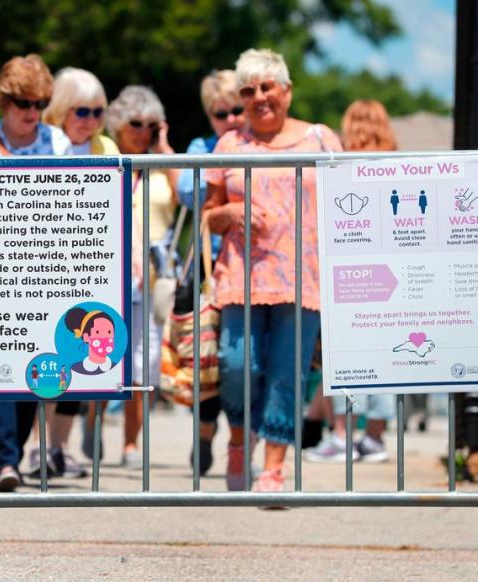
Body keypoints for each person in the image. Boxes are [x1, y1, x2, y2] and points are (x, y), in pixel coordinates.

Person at [204, 48, 342, 492]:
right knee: (237, 363)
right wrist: (229, 213)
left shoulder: (321, 140)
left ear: (287, 90)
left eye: (268, 87)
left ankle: (274, 468)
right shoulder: (229, 145)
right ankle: (239, 443)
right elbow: (207, 216)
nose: (259, 97)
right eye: (249, 90)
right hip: (241, 278)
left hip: (304, 279)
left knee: (288, 371)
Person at [0, 54, 70, 492]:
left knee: (39, 375)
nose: (32, 112)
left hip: (47, 270)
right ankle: (6, 462)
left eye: (40, 102)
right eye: (24, 102)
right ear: (5, 101)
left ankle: (15, 455)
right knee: (2, 368)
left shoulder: (58, 142)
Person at [22, 67, 116, 480]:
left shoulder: (106, 147)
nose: (91, 121)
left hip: (93, 266)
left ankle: (58, 447)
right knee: (45, 361)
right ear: (60, 110)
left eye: (98, 112)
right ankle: (35, 448)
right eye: (82, 111)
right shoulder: (42, 145)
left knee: (81, 362)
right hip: (44, 267)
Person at [89, 86, 177, 469]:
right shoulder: (105, 160)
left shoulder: (161, 167)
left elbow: (190, 197)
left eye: (149, 125)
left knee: (143, 365)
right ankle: (92, 427)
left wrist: (165, 146)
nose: (142, 131)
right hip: (108, 269)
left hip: (153, 275)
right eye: (135, 124)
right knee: (98, 357)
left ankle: (130, 442)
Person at [305, 99, 397, 464]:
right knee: (388, 356)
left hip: (348, 277)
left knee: (341, 357)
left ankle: (341, 435)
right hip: (391, 277)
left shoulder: (339, 167)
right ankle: (374, 438)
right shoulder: (399, 166)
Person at [174, 70, 246, 476]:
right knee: (207, 361)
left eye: (238, 109)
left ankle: (241, 439)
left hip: (254, 269)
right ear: (209, 115)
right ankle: (204, 434)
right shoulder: (202, 147)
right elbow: (187, 189)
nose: (232, 119)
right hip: (209, 270)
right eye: (222, 113)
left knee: (241, 362)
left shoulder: (260, 145)